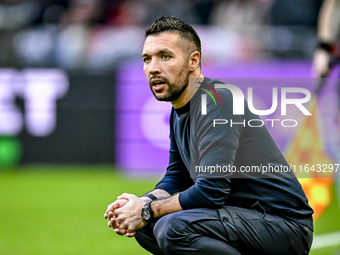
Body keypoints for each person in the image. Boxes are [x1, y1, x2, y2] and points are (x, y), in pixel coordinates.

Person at [104, 16, 314, 255]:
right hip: (241, 218)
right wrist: (140, 203)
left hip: (282, 225)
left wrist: (147, 209)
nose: (153, 68)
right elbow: (176, 178)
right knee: (147, 227)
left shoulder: (217, 101)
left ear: (193, 61)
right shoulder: (179, 110)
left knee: (172, 227)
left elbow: (211, 190)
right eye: (146, 59)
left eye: (165, 56)